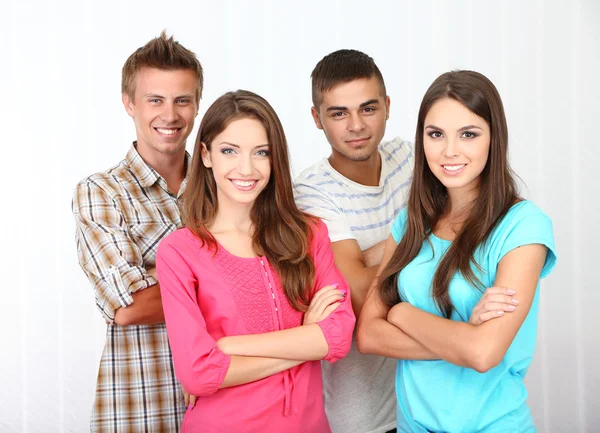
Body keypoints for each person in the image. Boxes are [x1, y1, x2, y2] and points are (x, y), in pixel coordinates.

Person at [357, 70, 557, 433]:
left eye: (468, 134)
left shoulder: (524, 226)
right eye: (436, 135)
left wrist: (401, 314)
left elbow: (483, 355)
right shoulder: (409, 223)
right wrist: (462, 335)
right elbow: (369, 335)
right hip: (412, 426)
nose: (450, 151)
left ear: (494, 138)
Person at [155, 90, 355, 433]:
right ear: (206, 155)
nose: (246, 168)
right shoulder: (179, 252)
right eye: (229, 151)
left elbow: (337, 336)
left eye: (261, 152)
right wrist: (307, 338)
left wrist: (230, 348)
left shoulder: (310, 234)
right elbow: (199, 373)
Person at [72, 32, 203, 432]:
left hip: (226, 406)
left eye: (182, 100)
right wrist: (229, 278)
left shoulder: (226, 186)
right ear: (129, 103)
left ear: (197, 104)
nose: (170, 114)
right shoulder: (101, 192)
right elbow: (130, 307)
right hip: (143, 408)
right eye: (155, 100)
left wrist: (170, 284)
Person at [294, 49, 413, 433]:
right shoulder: (311, 192)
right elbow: (360, 297)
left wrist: (366, 259)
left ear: (388, 106)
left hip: (428, 398)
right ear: (317, 118)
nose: (356, 125)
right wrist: (420, 235)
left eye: (368, 108)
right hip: (363, 416)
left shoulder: (410, 158)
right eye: (338, 113)